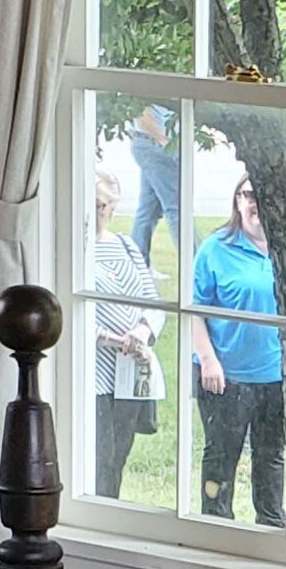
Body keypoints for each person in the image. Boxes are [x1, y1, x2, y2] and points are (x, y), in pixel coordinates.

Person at [186, 176, 286, 527]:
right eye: (246, 195)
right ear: (236, 201)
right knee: (220, 460)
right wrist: (208, 360)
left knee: (271, 459)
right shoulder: (217, 247)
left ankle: (271, 528)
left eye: (259, 194)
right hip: (225, 377)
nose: (253, 202)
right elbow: (194, 311)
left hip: (274, 377)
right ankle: (216, 529)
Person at [83, 149, 159, 499]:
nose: (97, 212)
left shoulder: (127, 247)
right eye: (91, 203)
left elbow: (151, 299)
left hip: (129, 372)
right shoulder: (77, 253)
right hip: (95, 373)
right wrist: (113, 338)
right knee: (100, 458)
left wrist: (142, 332)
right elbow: (77, 314)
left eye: (102, 205)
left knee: (119, 459)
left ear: (112, 207)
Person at [123, 101, 182, 278]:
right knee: (177, 209)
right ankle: (195, 264)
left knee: (149, 210)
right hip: (154, 146)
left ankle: (137, 265)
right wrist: (165, 141)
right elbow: (142, 112)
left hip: (150, 145)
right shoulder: (142, 86)